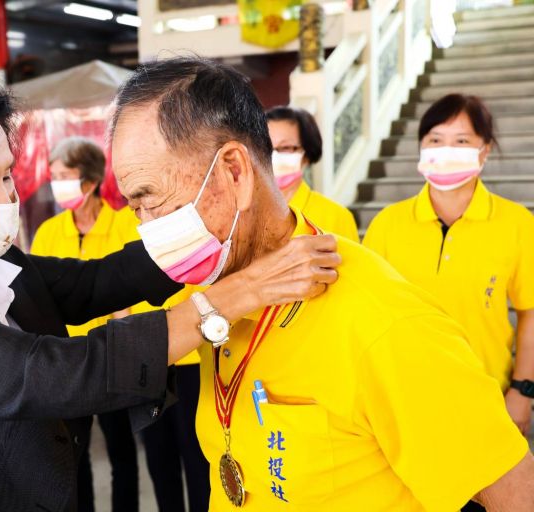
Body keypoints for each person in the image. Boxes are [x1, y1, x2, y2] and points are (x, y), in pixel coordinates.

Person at [0, 66, 340, 511]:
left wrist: (199, 225)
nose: (7, 197)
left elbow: (99, 281)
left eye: (8, 176)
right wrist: (230, 298)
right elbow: (45, 374)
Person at [109, 57, 534, 511]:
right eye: (135, 209)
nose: (147, 227)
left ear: (234, 171)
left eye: (149, 198)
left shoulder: (382, 324)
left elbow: (514, 494)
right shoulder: (222, 299)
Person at [362, 94, 534, 511]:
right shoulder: (387, 225)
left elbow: (529, 312)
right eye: (435, 140)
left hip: (486, 401)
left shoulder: (516, 224)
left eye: (461, 141)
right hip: (404, 407)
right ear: (421, 148)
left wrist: (523, 391)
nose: (446, 152)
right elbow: (364, 314)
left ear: (484, 149)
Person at [30, 136, 142, 512]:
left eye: (65, 175)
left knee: (122, 451)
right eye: (54, 175)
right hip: (67, 364)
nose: (57, 184)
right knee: (73, 457)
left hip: (113, 358)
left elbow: (138, 286)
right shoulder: (47, 232)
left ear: (90, 181)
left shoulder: (126, 224)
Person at [265, 105, 359, 241]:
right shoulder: (242, 215)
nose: (273, 156)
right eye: (265, 147)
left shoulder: (336, 217)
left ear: (306, 154)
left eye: (285, 147)